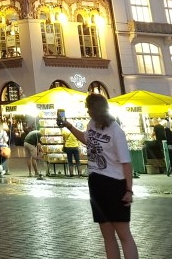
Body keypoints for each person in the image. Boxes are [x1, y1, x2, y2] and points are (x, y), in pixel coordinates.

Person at [62, 94, 138, 259]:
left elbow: (126, 162)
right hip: (96, 182)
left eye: (88, 107)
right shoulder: (92, 125)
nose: (87, 111)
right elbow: (86, 139)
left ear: (95, 109)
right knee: (107, 235)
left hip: (115, 184)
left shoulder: (116, 130)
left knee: (124, 233)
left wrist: (129, 190)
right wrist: (68, 126)